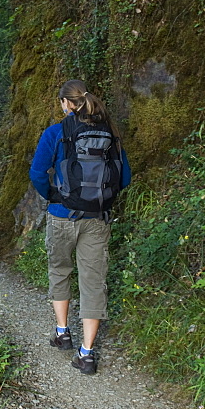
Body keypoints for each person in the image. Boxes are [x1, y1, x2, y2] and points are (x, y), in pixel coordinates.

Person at [28, 79, 131, 375]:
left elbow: (37, 173)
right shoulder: (110, 133)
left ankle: (62, 334)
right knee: (93, 280)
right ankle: (87, 353)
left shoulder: (56, 133)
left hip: (62, 215)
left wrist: (53, 196)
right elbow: (124, 178)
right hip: (97, 218)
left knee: (60, 269)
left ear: (66, 104)